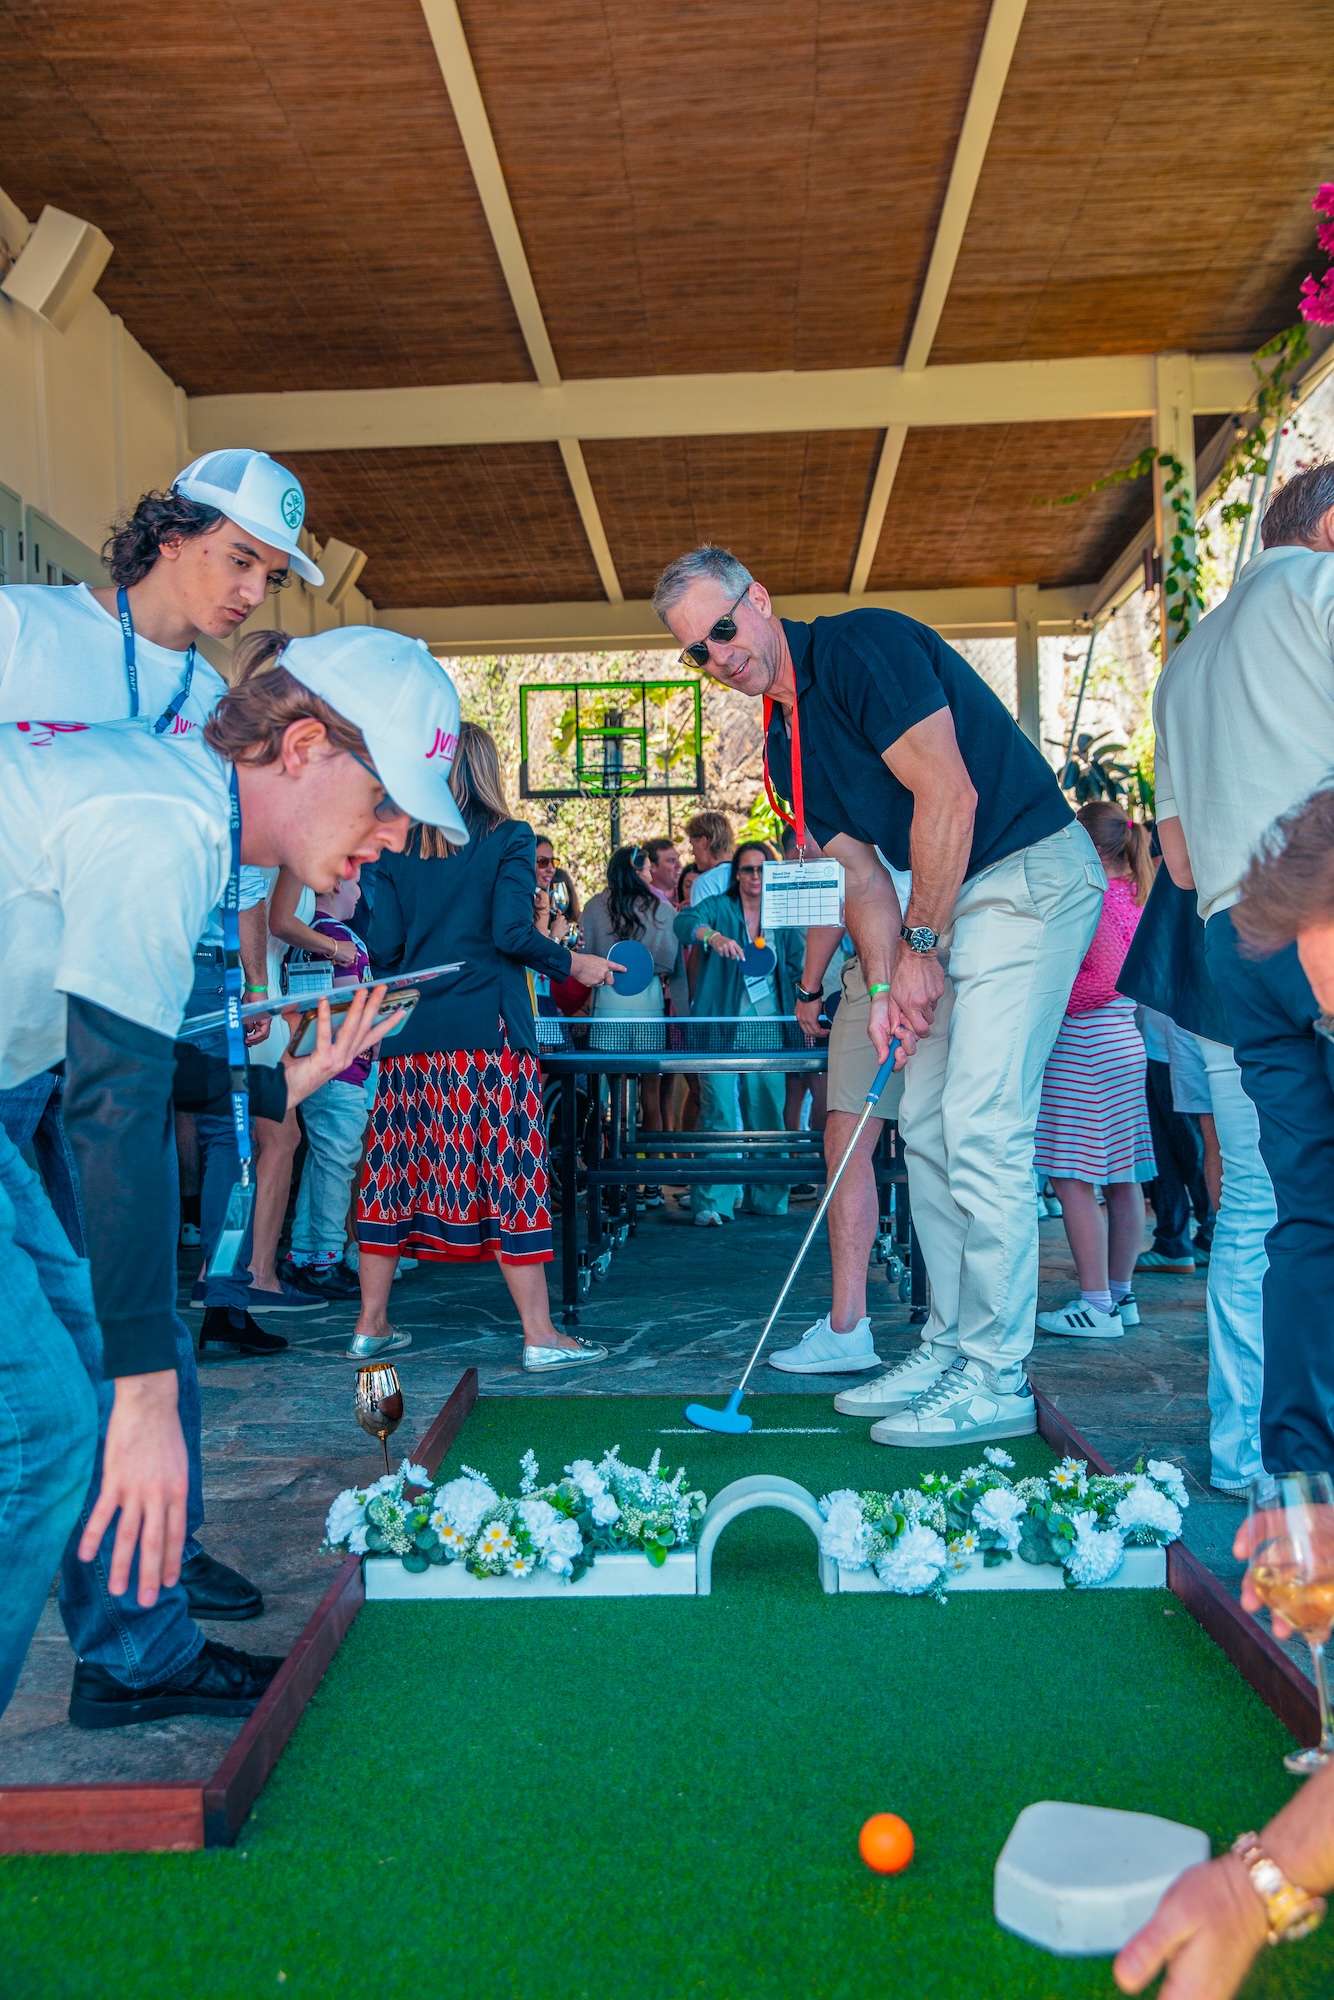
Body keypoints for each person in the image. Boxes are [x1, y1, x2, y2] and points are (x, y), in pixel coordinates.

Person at [0, 620, 457, 1725]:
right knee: (53, 1423)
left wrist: (284, 1084)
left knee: (95, 1391)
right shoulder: (162, 821)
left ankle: (135, 1657)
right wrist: (156, 1391)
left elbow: (133, 1065)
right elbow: (113, 1107)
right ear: (300, 747)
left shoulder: (196, 820)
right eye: (386, 801)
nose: (392, 838)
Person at [655, 545, 1103, 1447]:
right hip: (954, 903)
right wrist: (895, 979)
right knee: (928, 1125)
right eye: (698, 651)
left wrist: (924, 945)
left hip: (1027, 877)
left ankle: (997, 1373)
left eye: (726, 628)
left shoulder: (862, 649)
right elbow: (858, 877)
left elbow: (950, 794)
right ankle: (950, 1344)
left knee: (981, 1123)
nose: (721, 655)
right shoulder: (783, 755)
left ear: (762, 601)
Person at [0, 447, 321, 1628]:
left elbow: (223, 874)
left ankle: (147, 1595)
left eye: (270, 573)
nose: (250, 589)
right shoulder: (22, 631)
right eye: (239, 558)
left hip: (96, 1030)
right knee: (56, 1388)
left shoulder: (209, 711)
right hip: (36, 1048)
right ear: (171, 535)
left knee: (140, 1332)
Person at [1154, 462, 1334, 1471]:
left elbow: (1174, 862)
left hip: (1235, 947)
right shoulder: (1321, 591)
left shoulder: (1181, 664)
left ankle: (1297, 1470)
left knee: (1298, 1213)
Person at [351, 723, 623, 1369]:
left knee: (391, 1173)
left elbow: (383, 947)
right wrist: (571, 962)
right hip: (487, 1037)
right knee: (513, 1175)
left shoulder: (391, 848)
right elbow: (509, 931)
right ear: (487, 768)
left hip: (411, 1035)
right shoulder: (509, 837)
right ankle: (539, 1334)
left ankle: (370, 1326)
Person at [1119, 867, 1272, 1495]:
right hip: (1292, 948)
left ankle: (1243, 1449)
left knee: (1247, 1205)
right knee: (1266, 1206)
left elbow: (1180, 862)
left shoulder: (1188, 760)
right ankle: (1277, 1446)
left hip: (1222, 956)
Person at [1032, 803, 1156, 1339]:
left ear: (1086, 841)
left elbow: (1100, 981)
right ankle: (1119, 1296)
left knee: (1073, 1177)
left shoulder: (1099, 896)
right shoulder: (1137, 895)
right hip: (1124, 1041)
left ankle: (1095, 1304)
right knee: (1122, 1178)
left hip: (1087, 1042)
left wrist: (1044, 998)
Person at [673, 841, 804, 1225]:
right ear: (736, 875)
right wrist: (709, 936)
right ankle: (713, 1202)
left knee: (768, 1114)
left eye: (762, 869)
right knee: (719, 1112)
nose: (755, 877)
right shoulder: (720, 907)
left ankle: (768, 1198)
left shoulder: (782, 913)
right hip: (720, 1028)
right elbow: (684, 924)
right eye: (747, 870)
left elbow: (796, 965)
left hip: (769, 1029)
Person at [282, 873, 379, 1301]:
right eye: (358, 884)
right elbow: (346, 1009)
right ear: (338, 885)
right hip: (343, 1070)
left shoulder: (314, 937)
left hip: (318, 1067)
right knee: (338, 1162)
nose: (361, 893)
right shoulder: (343, 942)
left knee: (322, 1162)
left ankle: (304, 1254)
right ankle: (327, 1256)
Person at [1138, 1004, 1213, 1274]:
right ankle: (1177, 1241)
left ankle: (1202, 1235)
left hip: (1177, 1047)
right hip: (1160, 1045)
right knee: (1168, 1153)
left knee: (1190, 1152)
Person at [686, 811, 734, 905]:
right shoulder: (745, 874)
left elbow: (701, 919)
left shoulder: (705, 883)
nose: (693, 852)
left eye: (693, 846)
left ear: (703, 842)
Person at [646, 837, 682, 903]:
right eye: (671, 860)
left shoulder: (688, 895)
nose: (679, 865)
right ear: (652, 867)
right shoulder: (644, 902)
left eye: (678, 859)